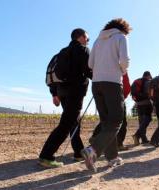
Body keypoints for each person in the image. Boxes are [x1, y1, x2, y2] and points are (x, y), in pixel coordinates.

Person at [81, 18, 131, 171]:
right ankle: (92, 150)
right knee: (116, 120)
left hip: (97, 84)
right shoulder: (121, 37)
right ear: (123, 29)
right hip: (113, 83)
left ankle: (113, 157)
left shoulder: (97, 41)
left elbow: (90, 64)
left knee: (106, 123)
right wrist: (122, 71)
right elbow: (124, 60)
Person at [39, 28, 92, 168]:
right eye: (87, 38)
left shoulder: (62, 52)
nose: (88, 41)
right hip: (75, 91)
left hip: (62, 92)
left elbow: (54, 74)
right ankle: (46, 155)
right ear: (81, 37)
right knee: (66, 124)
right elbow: (88, 71)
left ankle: (79, 153)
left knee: (73, 122)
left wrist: (54, 93)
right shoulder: (83, 50)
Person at [91, 73, 131, 151]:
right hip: (117, 95)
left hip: (100, 90)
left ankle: (95, 137)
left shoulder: (102, 66)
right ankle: (118, 143)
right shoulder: (119, 67)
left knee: (105, 120)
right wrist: (123, 96)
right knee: (120, 122)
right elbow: (126, 85)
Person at [132, 71, 153, 145]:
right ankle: (137, 135)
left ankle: (143, 139)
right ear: (148, 75)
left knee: (141, 122)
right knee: (148, 119)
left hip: (138, 104)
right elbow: (151, 94)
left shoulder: (137, 81)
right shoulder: (148, 82)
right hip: (146, 104)